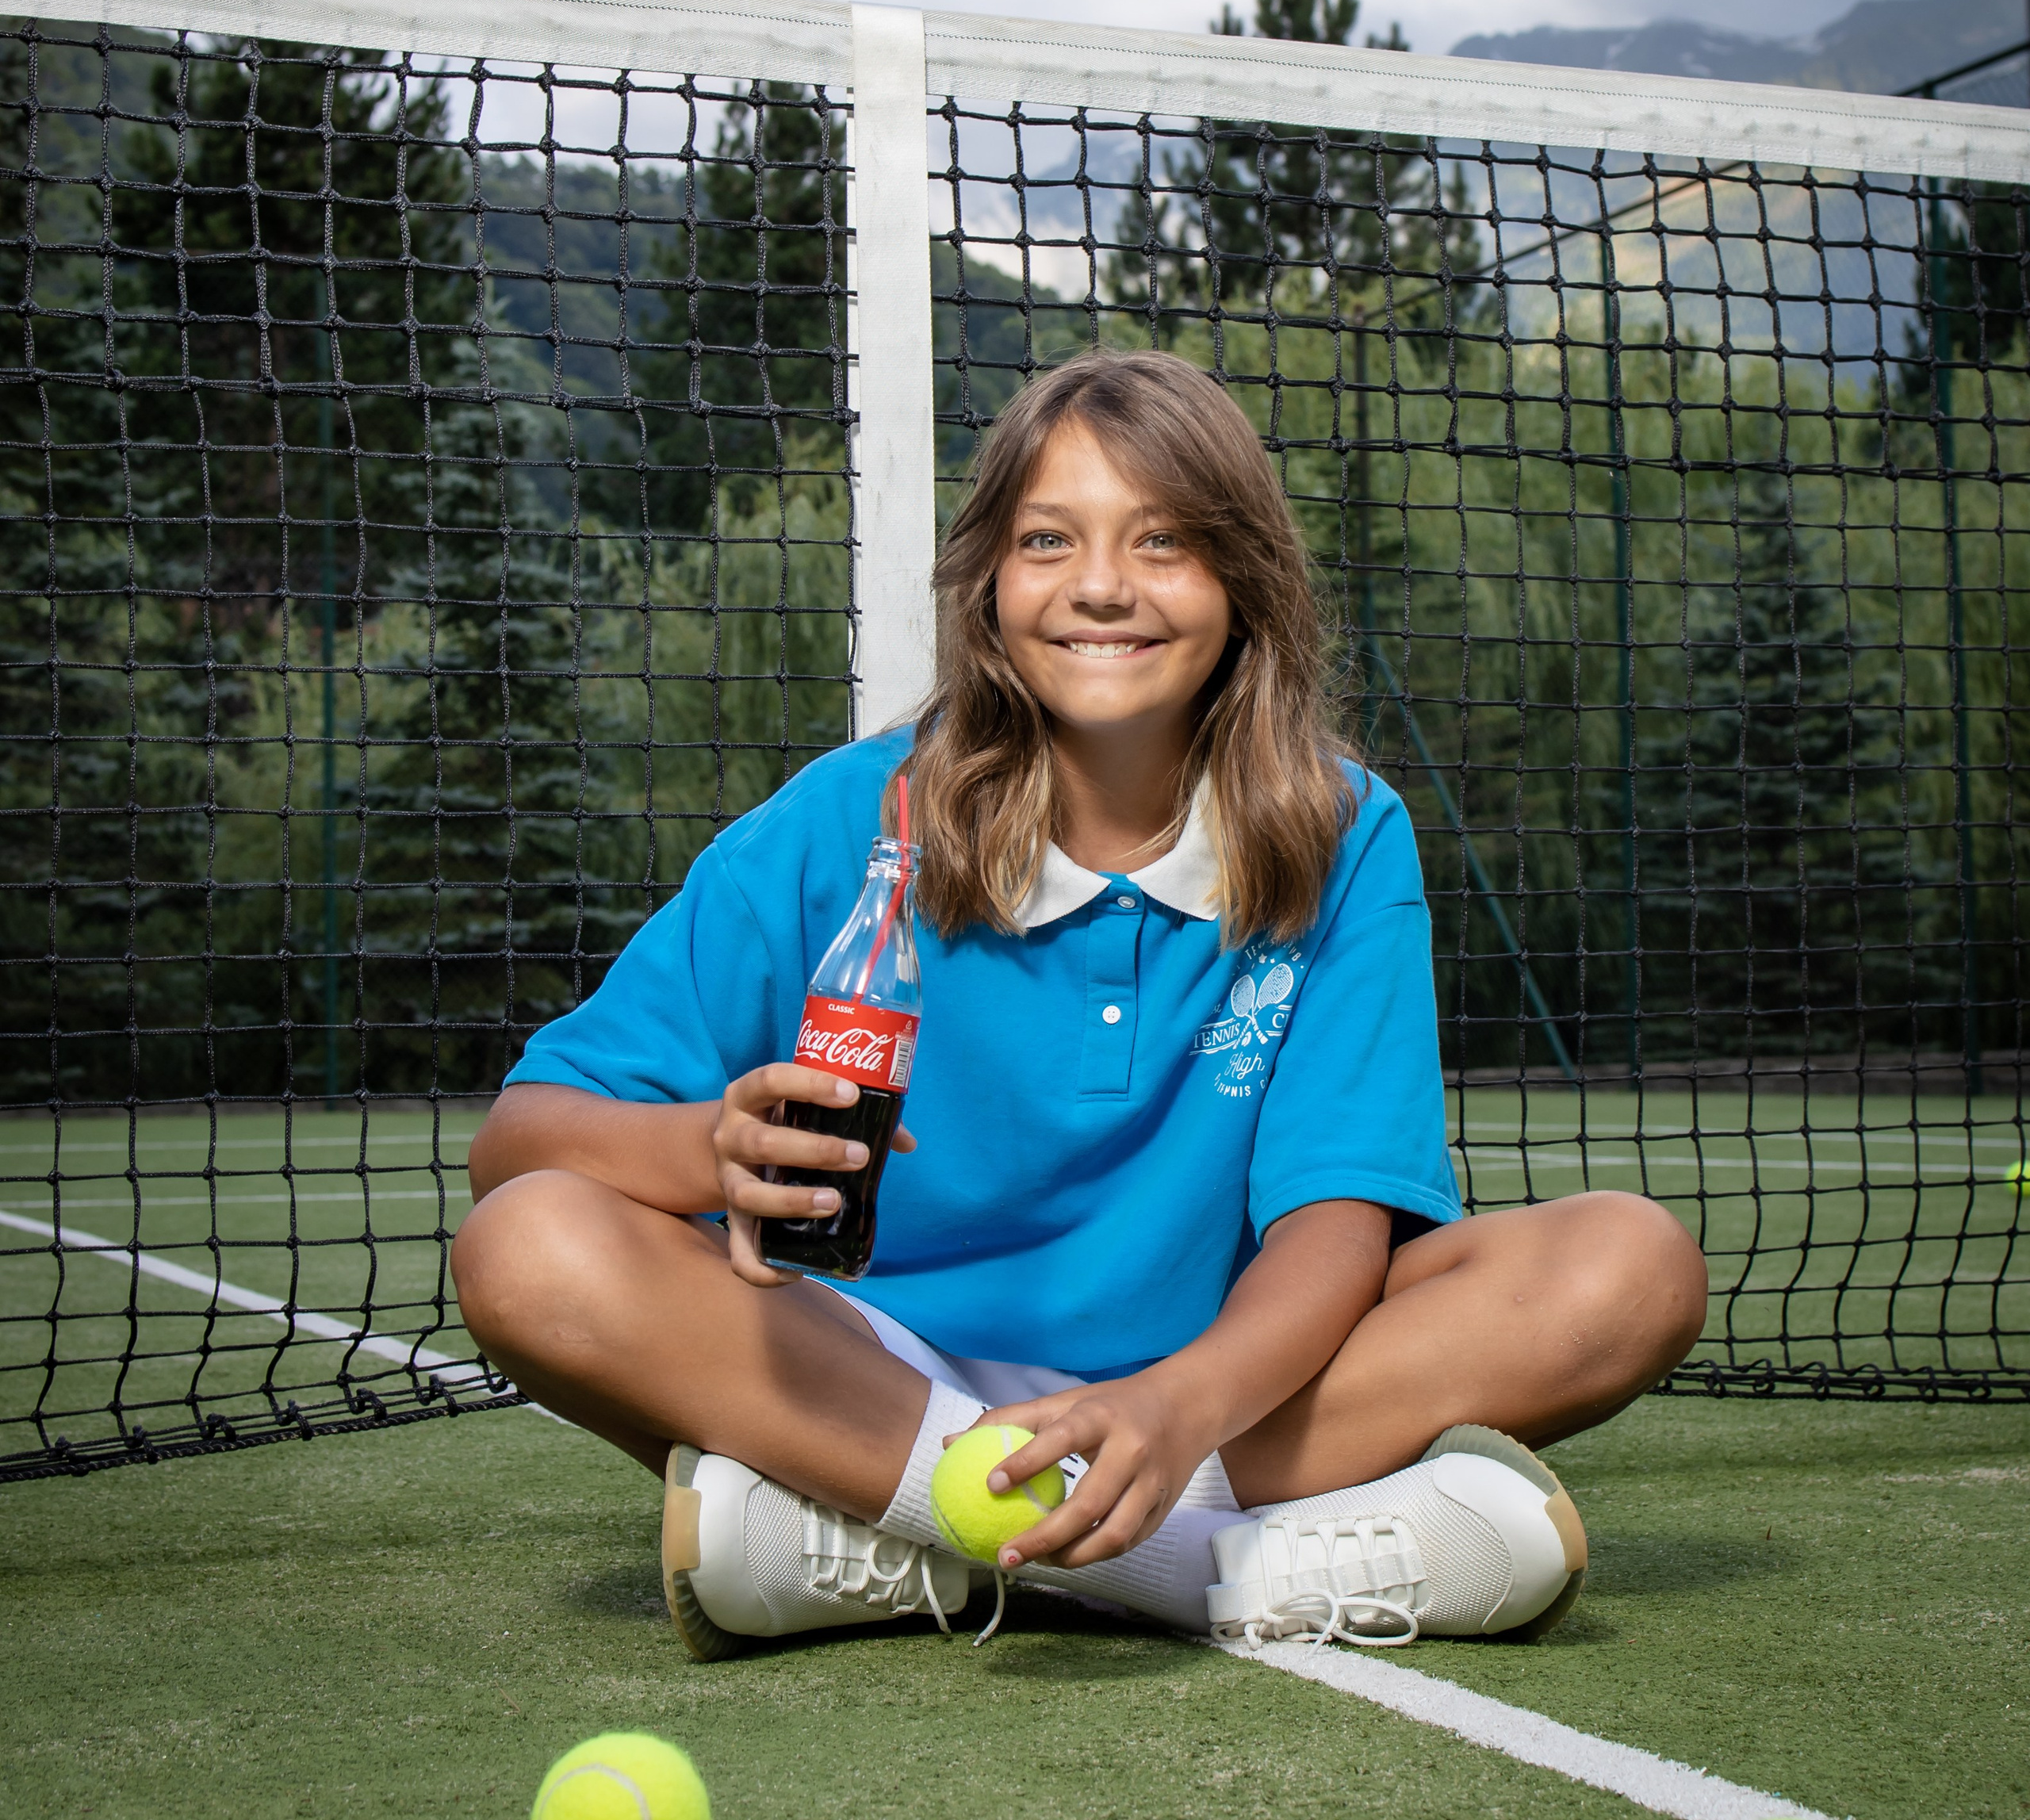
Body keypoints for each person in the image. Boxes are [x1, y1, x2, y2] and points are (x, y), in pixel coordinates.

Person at [454, 350, 1707, 1657]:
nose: (1103, 584)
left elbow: (1334, 1229)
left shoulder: (1344, 829)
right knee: (525, 1246)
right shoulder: (838, 822)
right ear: (988, 584)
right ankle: (1199, 1567)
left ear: (1244, 581)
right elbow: (516, 1145)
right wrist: (704, 1147)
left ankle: (913, 1545)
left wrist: (1178, 1405)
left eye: (1164, 540)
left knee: (1626, 1269)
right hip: (864, 1376)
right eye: (1048, 539)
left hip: (1224, 1395)